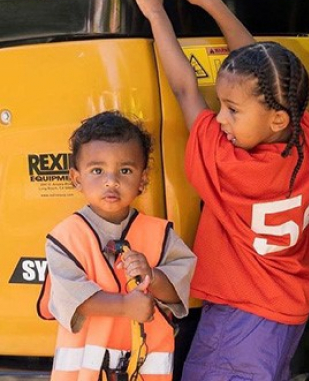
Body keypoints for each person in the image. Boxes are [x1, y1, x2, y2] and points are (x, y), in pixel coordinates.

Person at [127, 0, 309, 381]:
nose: (219, 118)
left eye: (232, 110)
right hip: (288, 312)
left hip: (241, 318)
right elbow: (263, 71)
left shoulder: (229, 165)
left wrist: (156, 13)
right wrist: (210, 2)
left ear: (277, 118)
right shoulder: (308, 137)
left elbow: (185, 90)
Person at [38, 110, 196, 380]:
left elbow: (177, 294)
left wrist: (152, 276)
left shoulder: (160, 235)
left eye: (125, 170)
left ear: (142, 179)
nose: (111, 180)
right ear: (76, 178)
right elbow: (71, 298)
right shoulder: (65, 238)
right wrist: (125, 306)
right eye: (97, 170)